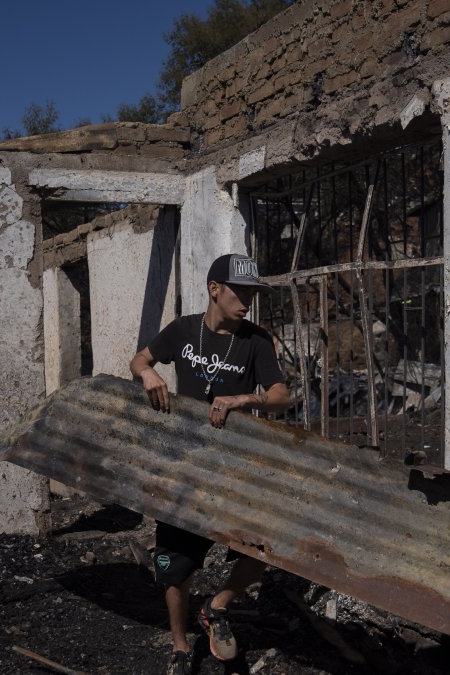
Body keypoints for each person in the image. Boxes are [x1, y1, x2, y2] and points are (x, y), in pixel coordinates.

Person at [129, 253, 292, 673]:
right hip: (183, 464)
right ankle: (181, 647)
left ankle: (217, 608)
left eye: (253, 291)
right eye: (241, 290)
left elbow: (281, 395)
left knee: (266, 547)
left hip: (235, 467)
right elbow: (139, 359)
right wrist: (148, 374)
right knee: (174, 567)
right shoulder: (184, 331)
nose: (248, 300)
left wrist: (244, 398)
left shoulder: (256, 340)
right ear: (214, 289)